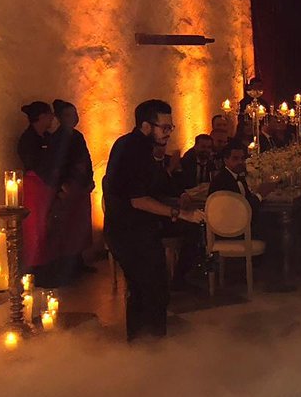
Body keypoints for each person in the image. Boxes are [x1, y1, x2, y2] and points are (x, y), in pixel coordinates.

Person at [103, 100, 204, 341]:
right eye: (165, 128)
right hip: (129, 232)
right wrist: (180, 214)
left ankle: (145, 347)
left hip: (137, 230)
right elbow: (138, 200)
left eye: (171, 127)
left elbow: (155, 185)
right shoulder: (134, 150)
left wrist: (177, 196)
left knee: (147, 291)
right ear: (146, 126)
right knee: (151, 291)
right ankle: (149, 346)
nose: (169, 133)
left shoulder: (136, 146)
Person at [43, 100, 95, 284]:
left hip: (81, 186)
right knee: (68, 228)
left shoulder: (78, 136)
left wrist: (89, 179)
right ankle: (67, 266)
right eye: (68, 115)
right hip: (68, 187)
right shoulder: (56, 138)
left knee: (81, 226)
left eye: (74, 114)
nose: (73, 118)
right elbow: (57, 165)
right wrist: (63, 185)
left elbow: (86, 159)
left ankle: (79, 260)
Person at [17, 101, 58, 275]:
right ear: (42, 117)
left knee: (48, 225)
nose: (52, 118)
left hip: (48, 186)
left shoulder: (48, 137)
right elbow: (34, 163)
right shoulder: (27, 140)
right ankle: (35, 267)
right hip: (34, 186)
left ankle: (48, 263)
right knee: (35, 227)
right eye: (49, 115)